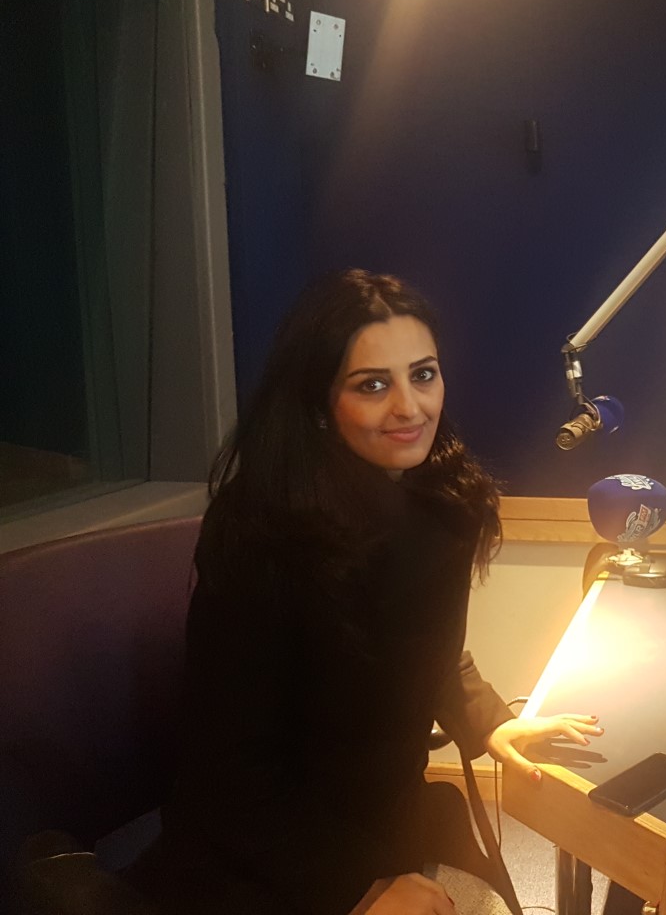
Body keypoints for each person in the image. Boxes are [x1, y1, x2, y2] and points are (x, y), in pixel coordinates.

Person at [130, 270, 601, 914]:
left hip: (381, 824)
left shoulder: (442, 500)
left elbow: (424, 650)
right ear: (318, 403)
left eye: (423, 375)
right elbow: (228, 774)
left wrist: (492, 721)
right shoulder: (260, 534)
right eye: (372, 385)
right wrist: (356, 886)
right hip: (266, 857)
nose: (410, 407)